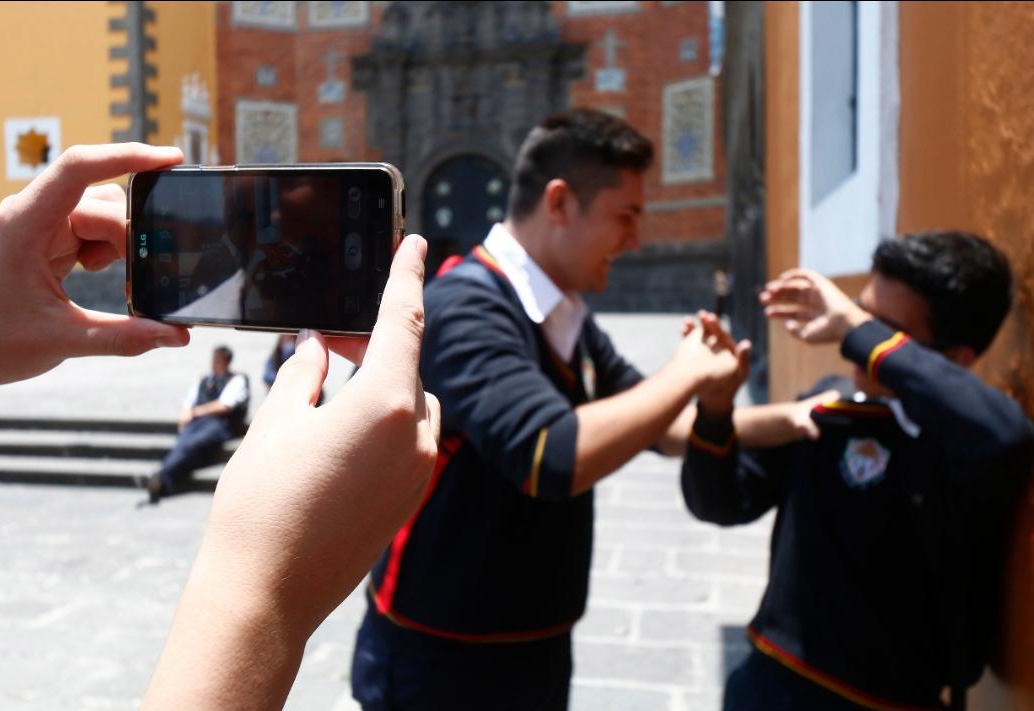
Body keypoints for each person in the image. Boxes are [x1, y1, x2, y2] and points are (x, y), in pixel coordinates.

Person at [349, 108, 826, 710]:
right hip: (444, 654)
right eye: (624, 217)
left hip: (534, 639)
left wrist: (772, 414)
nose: (634, 240)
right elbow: (550, 454)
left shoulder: (566, 315)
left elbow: (658, 420)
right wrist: (686, 371)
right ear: (560, 203)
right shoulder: (465, 305)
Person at [0, 142, 441, 709]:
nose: (276, 233)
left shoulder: (227, 287)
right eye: (261, 219)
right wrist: (264, 592)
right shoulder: (222, 287)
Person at [681, 231, 1033, 710]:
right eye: (860, 317)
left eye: (877, 331)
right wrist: (716, 410)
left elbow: (1006, 432)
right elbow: (719, 503)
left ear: (954, 360)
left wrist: (851, 325)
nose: (853, 346)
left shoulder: (966, 443)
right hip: (770, 685)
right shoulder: (831, 409)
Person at [145, 345, 250, 503]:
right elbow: (189, 402)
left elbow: (224, 405)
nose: (214, 362)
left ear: (227, 361)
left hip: (219, 424)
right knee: (183, 443)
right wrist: (185, 415)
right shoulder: (204, 379)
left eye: (218, 359)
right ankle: (164, 479)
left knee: (191, 444)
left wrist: (195, 412)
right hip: (198, 422)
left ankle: (162, 476)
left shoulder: (237, 379)